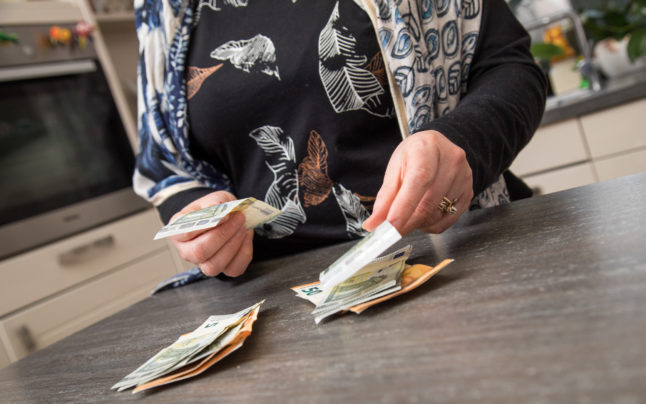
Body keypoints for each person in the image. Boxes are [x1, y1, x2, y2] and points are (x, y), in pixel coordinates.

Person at [133, 0, 547, 281]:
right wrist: (196, 220)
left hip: (458, 255)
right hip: (278, 306)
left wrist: (462, 142)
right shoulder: (162, 10)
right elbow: (165, 164)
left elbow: (509, 66)